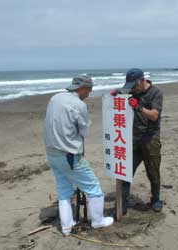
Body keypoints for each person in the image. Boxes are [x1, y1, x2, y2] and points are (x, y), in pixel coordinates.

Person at [44, 75, 113, 235]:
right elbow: (85, 131)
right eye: (89, 90)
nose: (89, 94)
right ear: (82, 88)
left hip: (51, 152)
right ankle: (97, 221)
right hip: (69, 155)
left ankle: (67, 227)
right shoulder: (78, 104)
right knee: (93, 187)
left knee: (63, 190)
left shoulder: (55, 98)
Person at [111, 68, 163, 215]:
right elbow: (120, 92)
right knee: (125, 172)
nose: (132, 89)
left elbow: (154, 115)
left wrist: (138, 107)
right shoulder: (132, 90)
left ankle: (156, 199)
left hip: (150, 139)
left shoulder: (156, 93)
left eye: (134, 85)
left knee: (153, 172)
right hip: (132, 139)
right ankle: (123, 202)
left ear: (141, 81)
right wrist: (115, 94)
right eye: (130, 86)